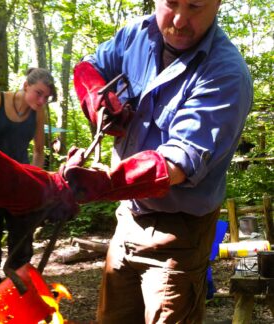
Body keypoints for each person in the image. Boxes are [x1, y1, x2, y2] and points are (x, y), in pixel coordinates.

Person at [64, 0, 253, 323]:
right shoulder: (135, 35)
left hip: (179, 235)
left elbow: (180, 161)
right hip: (127, 221)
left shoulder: (226, 72)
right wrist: (97, 98)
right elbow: (90, 66)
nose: (179, 21)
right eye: (170, 4)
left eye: (195, 7)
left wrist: (106, 183)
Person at [0, 67, 56, 303]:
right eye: (38, 93)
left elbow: (39, 151)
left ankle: (20, 305)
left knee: (21, 250)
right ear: (26, 85)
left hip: (19, 187)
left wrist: (35, 180)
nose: (41, 100)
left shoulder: (38, 113)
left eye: (46, 97)